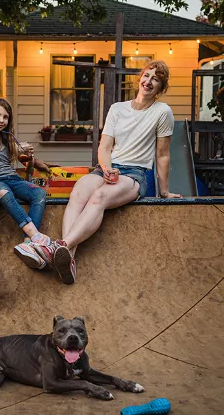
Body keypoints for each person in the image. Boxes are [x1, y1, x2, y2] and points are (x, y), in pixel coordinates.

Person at [34, 60, 181, 285]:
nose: (148, 81)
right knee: (80, 190)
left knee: (99, 197)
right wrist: (106, 167)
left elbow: (162, 155)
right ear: (139, 78)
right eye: (146, 76)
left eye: (155, 79)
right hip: (108, 167)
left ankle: (60, 247)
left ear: (161, 88)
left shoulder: (162, 112)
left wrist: (165, 191)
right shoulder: (117, 108)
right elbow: (104, 147)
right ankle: (68, 258)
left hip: (135, 174)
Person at [0, 98, 54, 270]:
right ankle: (34, 235)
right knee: (4, 192)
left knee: (39, 193)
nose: (1, 120)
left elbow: (26, 158)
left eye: (5, 117)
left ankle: (28, 243)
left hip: (13, 179)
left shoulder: (8, 140)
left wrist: (35, 159)